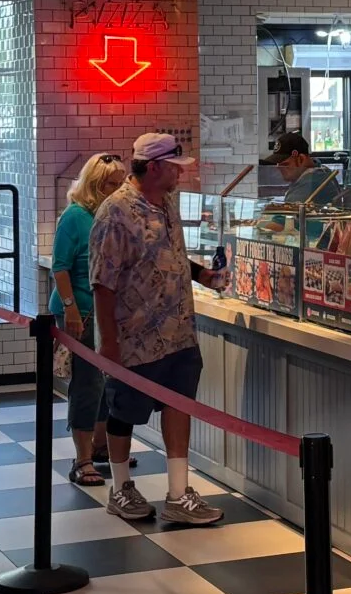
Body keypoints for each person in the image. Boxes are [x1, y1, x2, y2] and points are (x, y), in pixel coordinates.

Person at [88, 131, 225, 528]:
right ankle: (121, 488)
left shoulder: (166, 204)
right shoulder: (115, 213)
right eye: (174, 168)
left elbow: (175, 258)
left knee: (179, 405)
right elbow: (103, 282)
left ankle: (179, 494)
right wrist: (109, 343)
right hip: (134, 338)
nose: (180, 175)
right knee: (123, 412)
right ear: (153, 168)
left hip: (179, 332)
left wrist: (205, 277)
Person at [51, 152, 126, 488]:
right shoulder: (75, 216)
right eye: (113, 184)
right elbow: (60, 266)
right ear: (96, 184)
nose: (119, 188)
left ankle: (98, 446)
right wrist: (70, 308)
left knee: (106, 383)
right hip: (80, 309)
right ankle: (81, 459)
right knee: (87, 384)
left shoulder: (112, 214)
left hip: (105, 309)